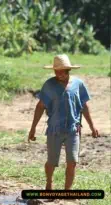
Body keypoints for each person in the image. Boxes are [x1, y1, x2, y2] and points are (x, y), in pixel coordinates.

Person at [28, 54, 99, 190]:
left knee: (72, 162)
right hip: (54, 129)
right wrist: (33, 129)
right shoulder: (49, 85)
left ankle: (67, 191)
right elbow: (40, 106)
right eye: (56, 71)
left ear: (68, 70)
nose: (58, 74)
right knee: (51, 162)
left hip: (73, 129)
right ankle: (49, 184)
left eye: (61, 71)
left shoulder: (78, 84)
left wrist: (92, 126)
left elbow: (84, 105)